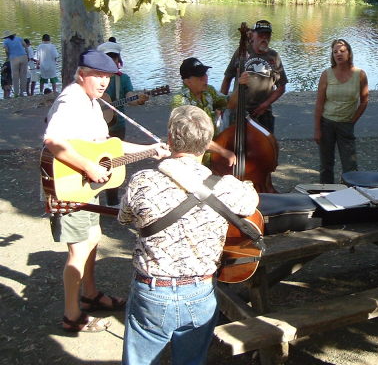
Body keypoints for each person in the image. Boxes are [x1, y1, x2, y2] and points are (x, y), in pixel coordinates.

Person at [118, 105, 259, 365]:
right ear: (207, 144)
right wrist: (244, 183)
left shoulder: (142, 180)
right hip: (199, 290)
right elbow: (251, 201)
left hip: (152, 289)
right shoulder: (227, 188)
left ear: (170, 140)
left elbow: (125, 218)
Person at [43, 49, 168, 333]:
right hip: (69, 185)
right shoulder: (71, 101)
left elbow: (108, 146)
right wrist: (88, 166)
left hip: (86, 186)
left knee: (94, 238)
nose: (103, 82)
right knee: (78, 250)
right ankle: (71, 315)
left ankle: (89, 294)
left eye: (108, 77)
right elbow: (52, 140)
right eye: (97, 76)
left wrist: (150, 150)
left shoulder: (92, 101)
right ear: (82, 74)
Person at [96, 39, 149, 206]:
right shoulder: (95, 78)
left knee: (114, 162)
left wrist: (138, 99)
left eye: (114, 57)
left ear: (119, 60)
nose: (112, 61)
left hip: (116, 127)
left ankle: (112, 200)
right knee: (94, 161)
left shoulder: (123, 79)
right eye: (108, 57)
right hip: (94, 129)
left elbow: (129, 97)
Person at [314, 39, 369, 184]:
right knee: (326, 165)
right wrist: (317, 129)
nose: (339, 54)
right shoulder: (327, 74)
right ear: (332, 55)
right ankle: (325, 194)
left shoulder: (360, 74)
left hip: (346, 124)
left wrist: (353, 120)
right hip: (327, 123)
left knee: (350, 165)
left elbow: (364, 101)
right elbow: (319, 103)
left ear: (349, 53)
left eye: (342, 51)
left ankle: (351, 196)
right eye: (335, 52)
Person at [220, 19, 288, 134]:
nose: (264, 38)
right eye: (261, 35)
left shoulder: (274, 56)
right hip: (239, 111)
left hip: (263, 113)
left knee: (266, 149)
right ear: (253, 35)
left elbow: (281, 87)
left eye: (267, 35)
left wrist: (265, 105)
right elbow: (227, 78)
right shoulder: (241, 52)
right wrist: (222, 105)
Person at [172, 57, 236, 167]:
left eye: (205, 74)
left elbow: (230, 103)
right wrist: (223, 151)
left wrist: (241, 84)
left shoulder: (209, 90)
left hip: (214, 152)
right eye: (200, 76)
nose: (205, 78)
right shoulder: (180, 100)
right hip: (192, 158)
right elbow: (194, 137)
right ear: (187, 81)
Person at [2, 30, 27, 97]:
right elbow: (25, 46)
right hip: (23, 57)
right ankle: (22, 92)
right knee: (23, 75)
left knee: (15, 76)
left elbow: (6, 50)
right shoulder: (19, 38)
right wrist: (27, 54)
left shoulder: (6, 41)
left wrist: (8, 57)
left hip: (14, 58)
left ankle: (16, 93)